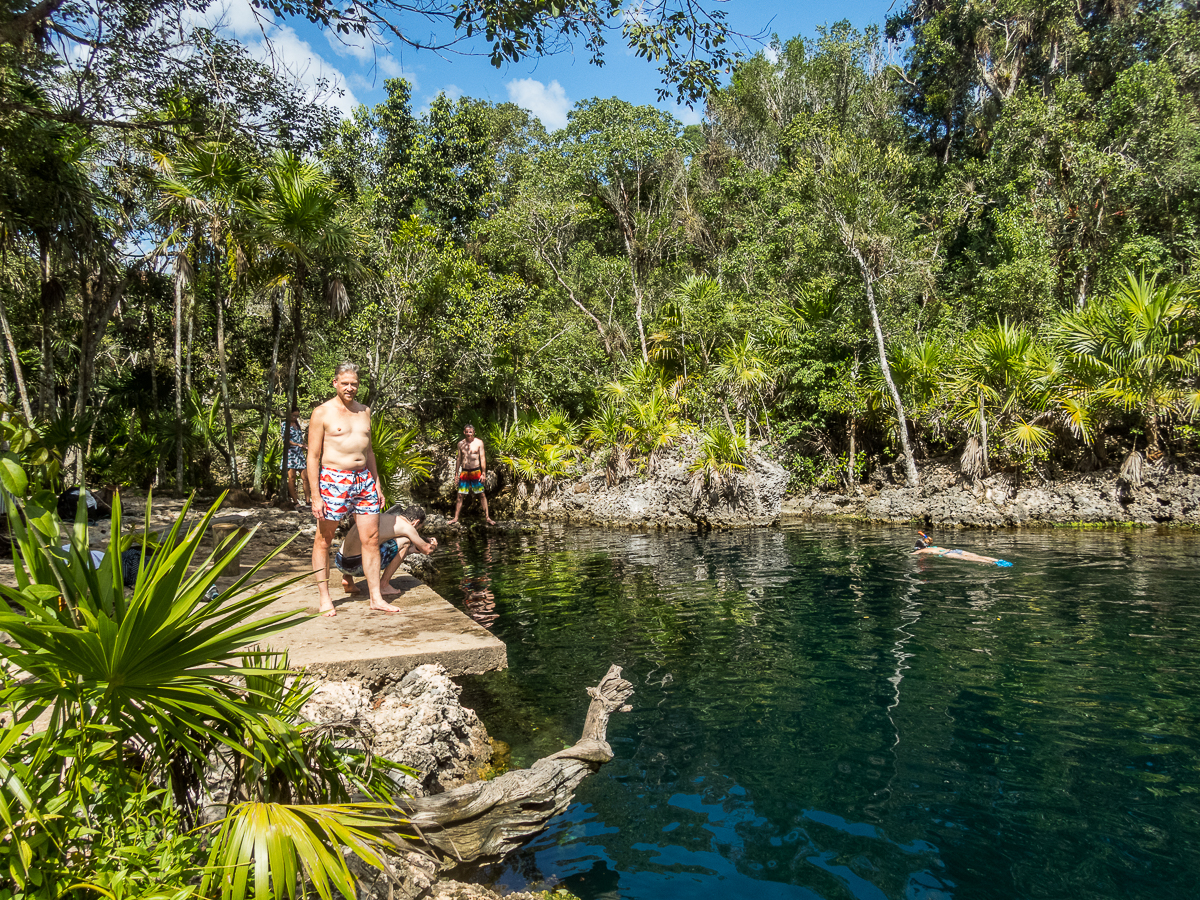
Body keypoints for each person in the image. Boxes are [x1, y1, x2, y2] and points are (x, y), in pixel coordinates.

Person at [308, 363, 393, 616]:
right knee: (324, 540)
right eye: (345, 383)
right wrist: (315, 495)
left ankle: (376, 597)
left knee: (372, 539)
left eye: (354, 383)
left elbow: (369, 452)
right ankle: (325, 598)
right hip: (334, 479)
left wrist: (376, 483)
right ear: (335, 383)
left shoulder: (365, 411)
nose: (350, 388)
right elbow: (313, 456)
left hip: (364, 480)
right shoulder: (322, 412)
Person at [335, 505, 438, 597]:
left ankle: (347, 579)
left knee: (364, 541)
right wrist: (433, 545)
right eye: (418, 528)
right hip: (357, 567)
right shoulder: (407, 527)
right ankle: (384, 585)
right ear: (416, 522)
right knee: (406, 541)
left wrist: (410, 550)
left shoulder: (383, 516)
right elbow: (426, 550)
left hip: (340, 563)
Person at [447, 424, 496, 526]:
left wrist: (483, 473)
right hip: (464, 472)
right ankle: (456, 518)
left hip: (476, 471)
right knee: (460, 495)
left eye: (470, 432)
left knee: (481, 494)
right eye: (467, 432)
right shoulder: (460, 444)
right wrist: (456, 473)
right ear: (464, 432)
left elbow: (482, 458)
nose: (469, 434)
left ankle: (487, 517)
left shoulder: (479, 443)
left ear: (473, 432)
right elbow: (459, 459)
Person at [913, 531, 1013, 567]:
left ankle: (994, 564)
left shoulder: (921, 550)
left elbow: (912, 555)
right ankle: (997, 560)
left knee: (972, 559)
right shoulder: (934, 547)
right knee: (977, 556)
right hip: (954, 550)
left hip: (947, 554)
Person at [283, 408, 309, 508]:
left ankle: (307, 500)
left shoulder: (297, 425)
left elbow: (300, 440)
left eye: (297, 416)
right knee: (292, 478)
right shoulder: (285, 425)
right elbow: (286, 440)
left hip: (299, 454)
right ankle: (295, 501)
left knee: (305, 477)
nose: (295, 418)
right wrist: (297, 445)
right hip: (290, 454)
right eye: (293, 415)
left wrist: (305, 445)